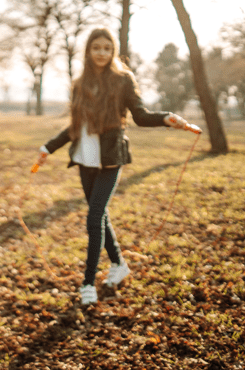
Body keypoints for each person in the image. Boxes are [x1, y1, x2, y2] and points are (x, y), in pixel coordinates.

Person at [34, 28, 190, 305]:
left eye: (107, 48)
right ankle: (119, 264)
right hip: (84, 157)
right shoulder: (80, 83)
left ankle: (87, 284)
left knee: (94, 218)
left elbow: (140, 116)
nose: (102, 53)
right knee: (100, 216)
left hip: (110, 157)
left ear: (113, 51)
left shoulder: (123, 80)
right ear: (89, 51)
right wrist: (49, 147)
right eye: (97, 48)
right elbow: (76, 125)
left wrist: (166, 118)